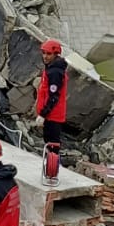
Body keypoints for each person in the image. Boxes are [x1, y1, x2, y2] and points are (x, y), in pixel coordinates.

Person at [35, 39, 69, 180]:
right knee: (50, 143)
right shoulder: (52, 69)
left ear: (56, 54)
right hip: (51, 115)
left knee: (53, 144)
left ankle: (52, 172)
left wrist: (43, 114)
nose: (45, 56)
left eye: (48, 54)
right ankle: (51, 170)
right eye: (44, 53)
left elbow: (53, 96)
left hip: (53, 116)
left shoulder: (55, 72)